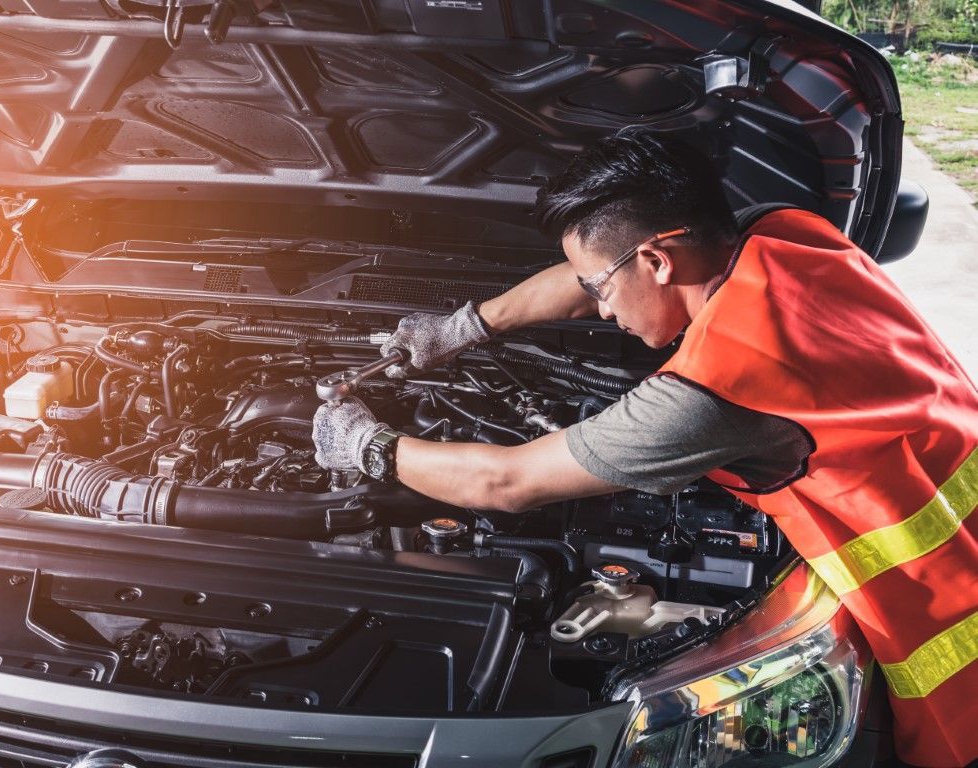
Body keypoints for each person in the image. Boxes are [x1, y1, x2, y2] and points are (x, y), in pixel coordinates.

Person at [311, 133, 977, 768]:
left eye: (600, 290)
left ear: (658, 259)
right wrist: (468, 326)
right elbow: (592, 272)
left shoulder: (714, 390)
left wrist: (369, 445)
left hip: (951, 625)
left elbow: (507, 482)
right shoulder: (780, 234)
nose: (600, 310)